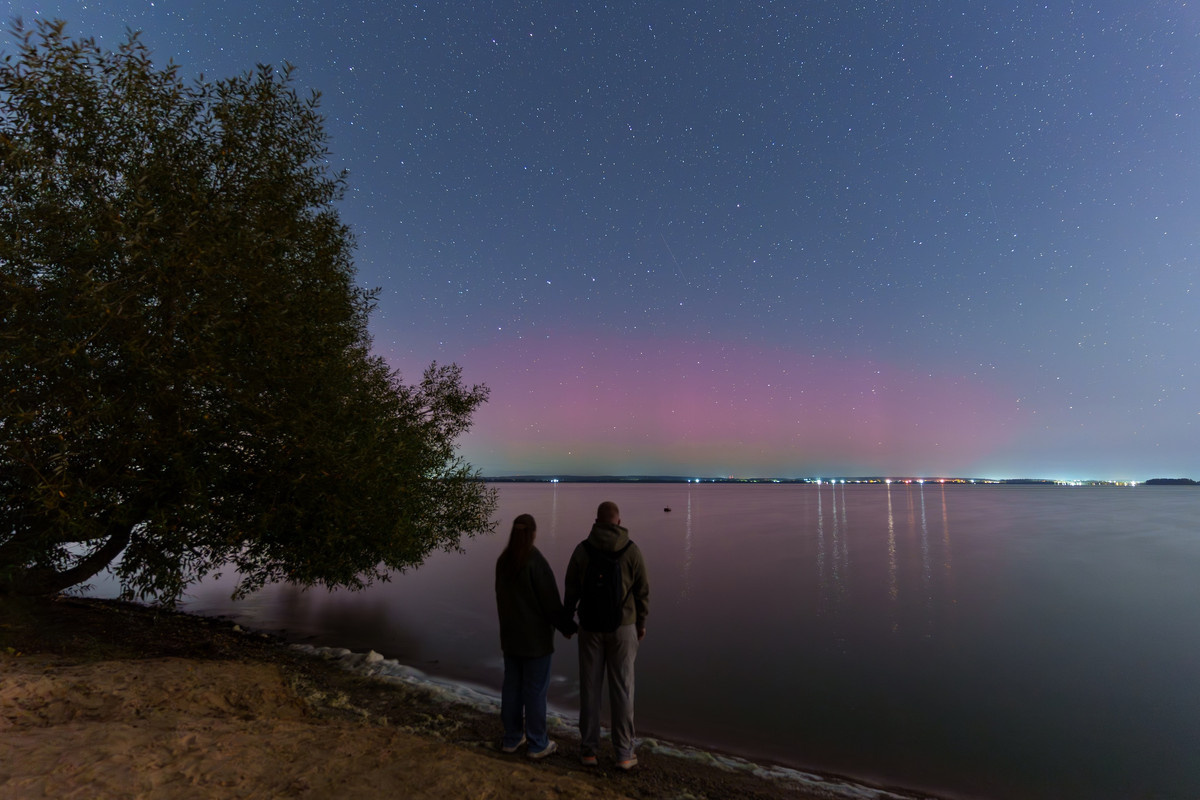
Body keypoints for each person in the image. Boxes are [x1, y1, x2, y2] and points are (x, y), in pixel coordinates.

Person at [563, 500, 650, 770]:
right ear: (619, 522)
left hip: (589, 627)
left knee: (590, 689)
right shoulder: (631, 550)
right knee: (623, 689)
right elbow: (642, 591)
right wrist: (641, 622)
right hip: (624, 627)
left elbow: (571, 588)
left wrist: (568, 618)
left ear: (596, 521)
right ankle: (624, 753)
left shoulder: (582, 550)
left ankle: (589, 751)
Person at [494, 513, 577, 759]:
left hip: (510, 637)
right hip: (535, 641)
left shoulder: (503, 561)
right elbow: (550, 601)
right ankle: (538, 743)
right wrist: (568, 627)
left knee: (512, 688)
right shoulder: (535, 561)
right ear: (532, 533)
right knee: (534, 691)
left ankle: (511, 737)